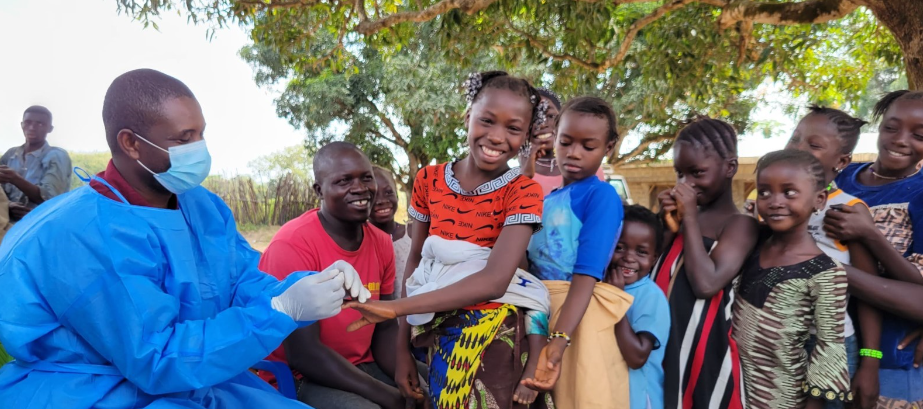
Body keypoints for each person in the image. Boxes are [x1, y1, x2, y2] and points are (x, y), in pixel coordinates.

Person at [0, 69, 369, 408]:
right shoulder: (84, 235)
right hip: (100, 389)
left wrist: (308, 285)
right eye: (184, 138)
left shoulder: (200, 205)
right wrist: (279, 312)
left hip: (197, 375)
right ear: (130, 143)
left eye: (201, 133)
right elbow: (154, 357)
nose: (200, 149)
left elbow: (241, 279)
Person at [346, 71, 552, 409]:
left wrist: (393, 309)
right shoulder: (428, 180)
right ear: (468, 116)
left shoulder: (523, 191)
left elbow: (493, 281)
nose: (498, 137)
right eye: (487, 120)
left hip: (494, 341)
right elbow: (416, 265)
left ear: (527, 135)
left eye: (513, 128)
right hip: (436, 334)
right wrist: (402, 351)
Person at [259, 142, 405, 409]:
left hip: (362, 364)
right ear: (319, 190)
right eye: (344, 181)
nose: (360, 188)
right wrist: (388, 395)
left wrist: (408, 381)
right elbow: (303, 354)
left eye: (366, 177)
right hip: (299, 377)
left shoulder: (381, 242)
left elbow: (384, 328)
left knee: (434, 389)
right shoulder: (293, 245)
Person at [519, 96, 631, 409]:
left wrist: (560, 339)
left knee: (580, 398)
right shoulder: (550, 197)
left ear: (608, 148)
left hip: (575, 319)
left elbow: (586, 275)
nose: (573, 153)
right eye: (566, 141)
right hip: (542, 311)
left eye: (588, 146)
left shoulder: (601, 195)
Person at [823, 90, 923, 407]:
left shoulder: (920, 194)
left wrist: (871, 235)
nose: (900, 140)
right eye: (891, 127)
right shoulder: (839, 179)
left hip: (895, 360)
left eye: (919, 135)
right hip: (824, 349)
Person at [653, 117, 758, 409]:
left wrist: (688, 220)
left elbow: (706, 283)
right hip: (664, 342)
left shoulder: (739, 225)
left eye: (697, 172)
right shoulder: (683, 219)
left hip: (704, 349)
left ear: (730, 168)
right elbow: (652, 266)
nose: (686, 183)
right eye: (679, 174)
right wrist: (665, 224)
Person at [733, 150, 851, 409]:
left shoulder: (826, 272)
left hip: (781, 397)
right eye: (764, 192)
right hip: (732, 388)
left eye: (789, 192)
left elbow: (829, 347)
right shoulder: (752, 245)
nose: (774, 202)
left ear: (819, 199)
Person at [784, 105, 881, 409]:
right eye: (794, 138)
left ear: (841, 161)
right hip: (780, 340)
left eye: (813, 145)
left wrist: (871, 362)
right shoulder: (771, 202)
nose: (798, 148)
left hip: (830, 345)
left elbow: (870, 292)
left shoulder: (849, 212)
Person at [605, 205, 671, 409]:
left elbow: (637, 356)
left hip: (638, 400)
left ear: (654, 259)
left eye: (641, 252)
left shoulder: (651, 296)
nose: (629, 257)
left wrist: (616, 301)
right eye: (620, 247)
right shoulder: (599, 285)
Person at [519, 89, 607, 196]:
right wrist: (523, 177)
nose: (542, 124)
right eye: (534, 117)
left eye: (550, 116)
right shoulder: (514, 176)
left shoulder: (588, 169)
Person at [0, 105, 72, 221]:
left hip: (40, 227)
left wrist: (15, 179)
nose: (32, 128)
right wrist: (8, 205)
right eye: (28, 122)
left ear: (50, 129)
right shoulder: (10, 155)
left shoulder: (57, 156)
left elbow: (51, 199)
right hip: (7, 226)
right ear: (21, 125)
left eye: (40, 124)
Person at [370, 166, 412, 299]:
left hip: (413, 316)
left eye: (388, 192)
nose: (382, 200)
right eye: (373, 195)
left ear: (397, 195)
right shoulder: (358, 242)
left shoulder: (413, 235)